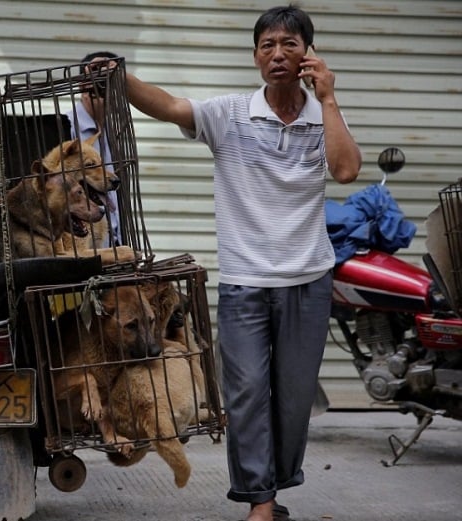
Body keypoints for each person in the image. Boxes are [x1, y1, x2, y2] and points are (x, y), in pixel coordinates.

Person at [117, 5, 361, 521]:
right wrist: (119, 75)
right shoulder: (229, 115)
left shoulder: (325, 117)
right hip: (246, 283)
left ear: (308, 55)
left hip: (309, 281)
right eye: (268, 45)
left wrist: (329, 97)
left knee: (293, 400)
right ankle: (261, 503)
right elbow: (168, 106)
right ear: (255, 56)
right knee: (247, 392)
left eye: (290, 45)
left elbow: (344, 171)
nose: (278, 55)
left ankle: (273, 485)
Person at [66, 51, 122, 246]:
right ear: (83, 85)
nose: (106, 89)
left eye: (112, 81)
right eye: (100, 80)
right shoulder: (66, 127)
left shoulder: (118, 131)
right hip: (85, 247)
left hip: (116, 244)